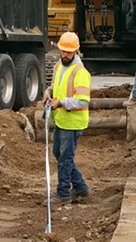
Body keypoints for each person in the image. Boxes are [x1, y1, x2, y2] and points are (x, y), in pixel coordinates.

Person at [42, 32, 91, 206]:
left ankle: (63, 193)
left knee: (65, 159)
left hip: (74, 121)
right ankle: (81, 187)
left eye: (69, 52)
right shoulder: (58, 66)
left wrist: (61, 103)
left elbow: (82, 99)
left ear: (77, 51)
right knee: (59, 153)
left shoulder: (81, 72)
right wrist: (49, 92)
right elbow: (56, 86)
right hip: (61, 120)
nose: (65, 55)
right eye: (63, 51)